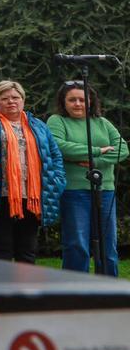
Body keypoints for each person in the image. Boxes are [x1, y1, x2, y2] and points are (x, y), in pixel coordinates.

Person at [0, 80, 65, 264]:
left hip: (31, 197)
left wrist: (57, 181)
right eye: (4, 98)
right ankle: (3, 292)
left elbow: (55, 156)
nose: (11, 101)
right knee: (2, 250)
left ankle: (26, 291)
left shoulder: (37, 125)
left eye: (15, 97)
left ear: (23, 99)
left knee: (27, 251)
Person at [47, 81, 127, 275]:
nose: (77, 104)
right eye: (72, 99)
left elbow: (122, 150)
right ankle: (75, 293)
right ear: (63, 102)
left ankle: (108, 294)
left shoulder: (102, 123)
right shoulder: (57, 121)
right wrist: (98, 151)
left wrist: (94, 162)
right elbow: (59, 146)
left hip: (105, 191)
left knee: (108, 246)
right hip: (74, 191)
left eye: (82, 100)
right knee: (77, 245)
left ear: (90, 101)